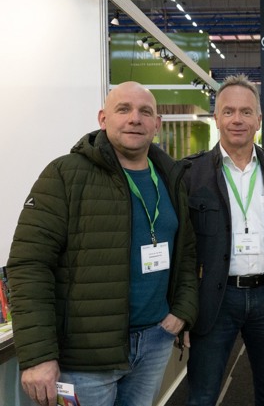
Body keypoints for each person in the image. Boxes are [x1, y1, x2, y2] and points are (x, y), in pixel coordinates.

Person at [6, 81, 198, 406]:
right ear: (103, 118)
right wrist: (38, 355)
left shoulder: (171, 177)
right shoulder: (65, 175)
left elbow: (187, 253)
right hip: (84, 357)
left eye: (145, 112)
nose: (134, 118)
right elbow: (29, 266)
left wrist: (182, 311)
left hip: (155, 341)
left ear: (157, 124)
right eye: (123, 109)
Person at [184, 74, 264, 406]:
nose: (237, 119)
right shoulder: (192, 173)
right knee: (202, 396)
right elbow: (183, 249)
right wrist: (182, 309)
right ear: (216, 118)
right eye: (228, 111)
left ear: (259, 119)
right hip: (214, 299)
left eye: (245, 112)